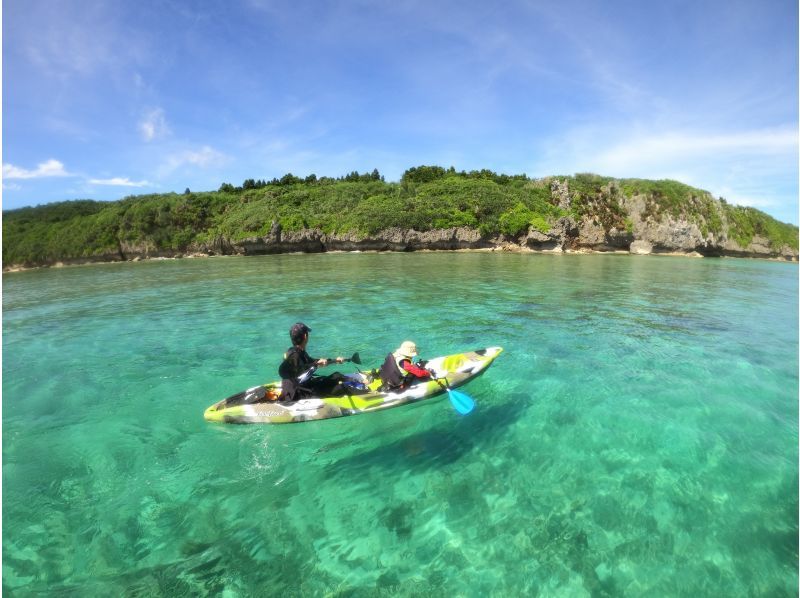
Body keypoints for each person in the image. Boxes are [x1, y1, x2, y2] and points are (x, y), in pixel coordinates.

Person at [278, 322, 346, 401]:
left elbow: (312, 362)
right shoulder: (294, 356)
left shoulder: (295, 352)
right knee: (341, 388)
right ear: (305, 336)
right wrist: (314, 364)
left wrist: (335, 360)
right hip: (299, 393)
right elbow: (288, 370)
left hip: (304, 386)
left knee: (337, 376)